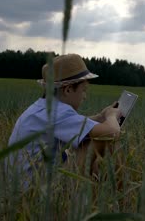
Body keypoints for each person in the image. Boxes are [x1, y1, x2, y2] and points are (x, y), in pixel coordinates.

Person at [7, 53, 121, 187]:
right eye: (83, 90)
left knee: (88, 137)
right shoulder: (58, 113)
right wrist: (111, 116)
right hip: (35, 191)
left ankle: (95, 189)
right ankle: (109, 191)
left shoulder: (44, 108)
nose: (85, 96)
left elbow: (77, 123)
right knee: (97, 140)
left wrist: (101, 116)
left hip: (20, 186)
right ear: (67, 90)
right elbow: (112, 132)